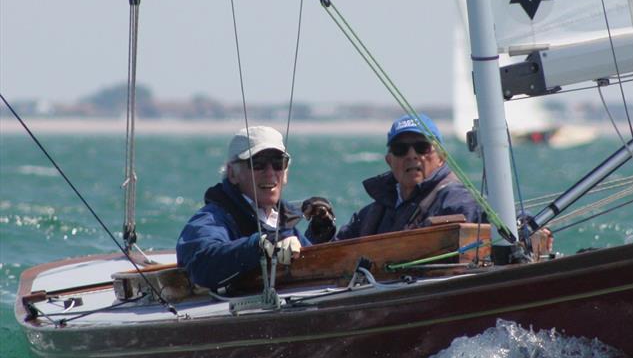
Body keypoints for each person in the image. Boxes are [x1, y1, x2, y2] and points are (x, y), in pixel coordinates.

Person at [304, 113, 483, 242]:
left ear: (442, 157)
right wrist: (322, 229)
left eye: (422, 147)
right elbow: (332, 255)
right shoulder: (373, 213)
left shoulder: (458, 201)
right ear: (389, 160)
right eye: (400, 149)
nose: (412, 155)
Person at [177, 126, 308, 291]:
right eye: (257, 164)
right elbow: (200, 264)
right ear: (232, 174)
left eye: (278, 163)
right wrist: (259, 246)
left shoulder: (283, 221)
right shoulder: (214, 218)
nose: (270, 173)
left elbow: (323, 263)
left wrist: (321, 230)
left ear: (286, 172)